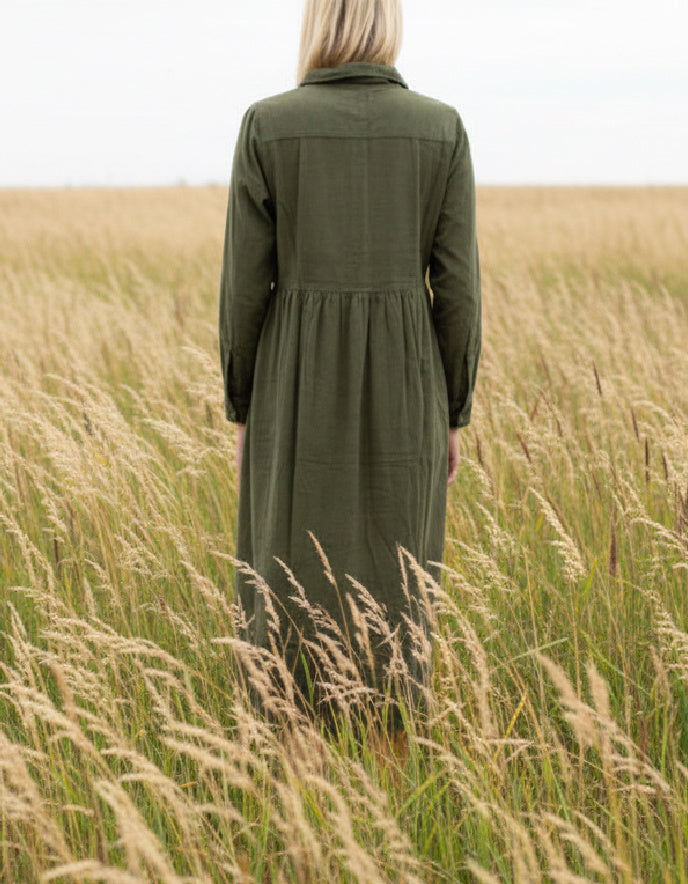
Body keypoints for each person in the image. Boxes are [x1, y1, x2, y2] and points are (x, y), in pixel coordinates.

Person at [219, 0, 481, 718]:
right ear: (387, 21)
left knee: (286, 581)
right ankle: (389, 756)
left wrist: (242, 407)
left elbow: (244, 292)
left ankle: (292, 759)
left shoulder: (266, 126)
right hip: (409, 387)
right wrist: (452, 411)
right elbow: (458, 292)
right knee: (400, 591)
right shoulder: (442, 129)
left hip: (290, 388)